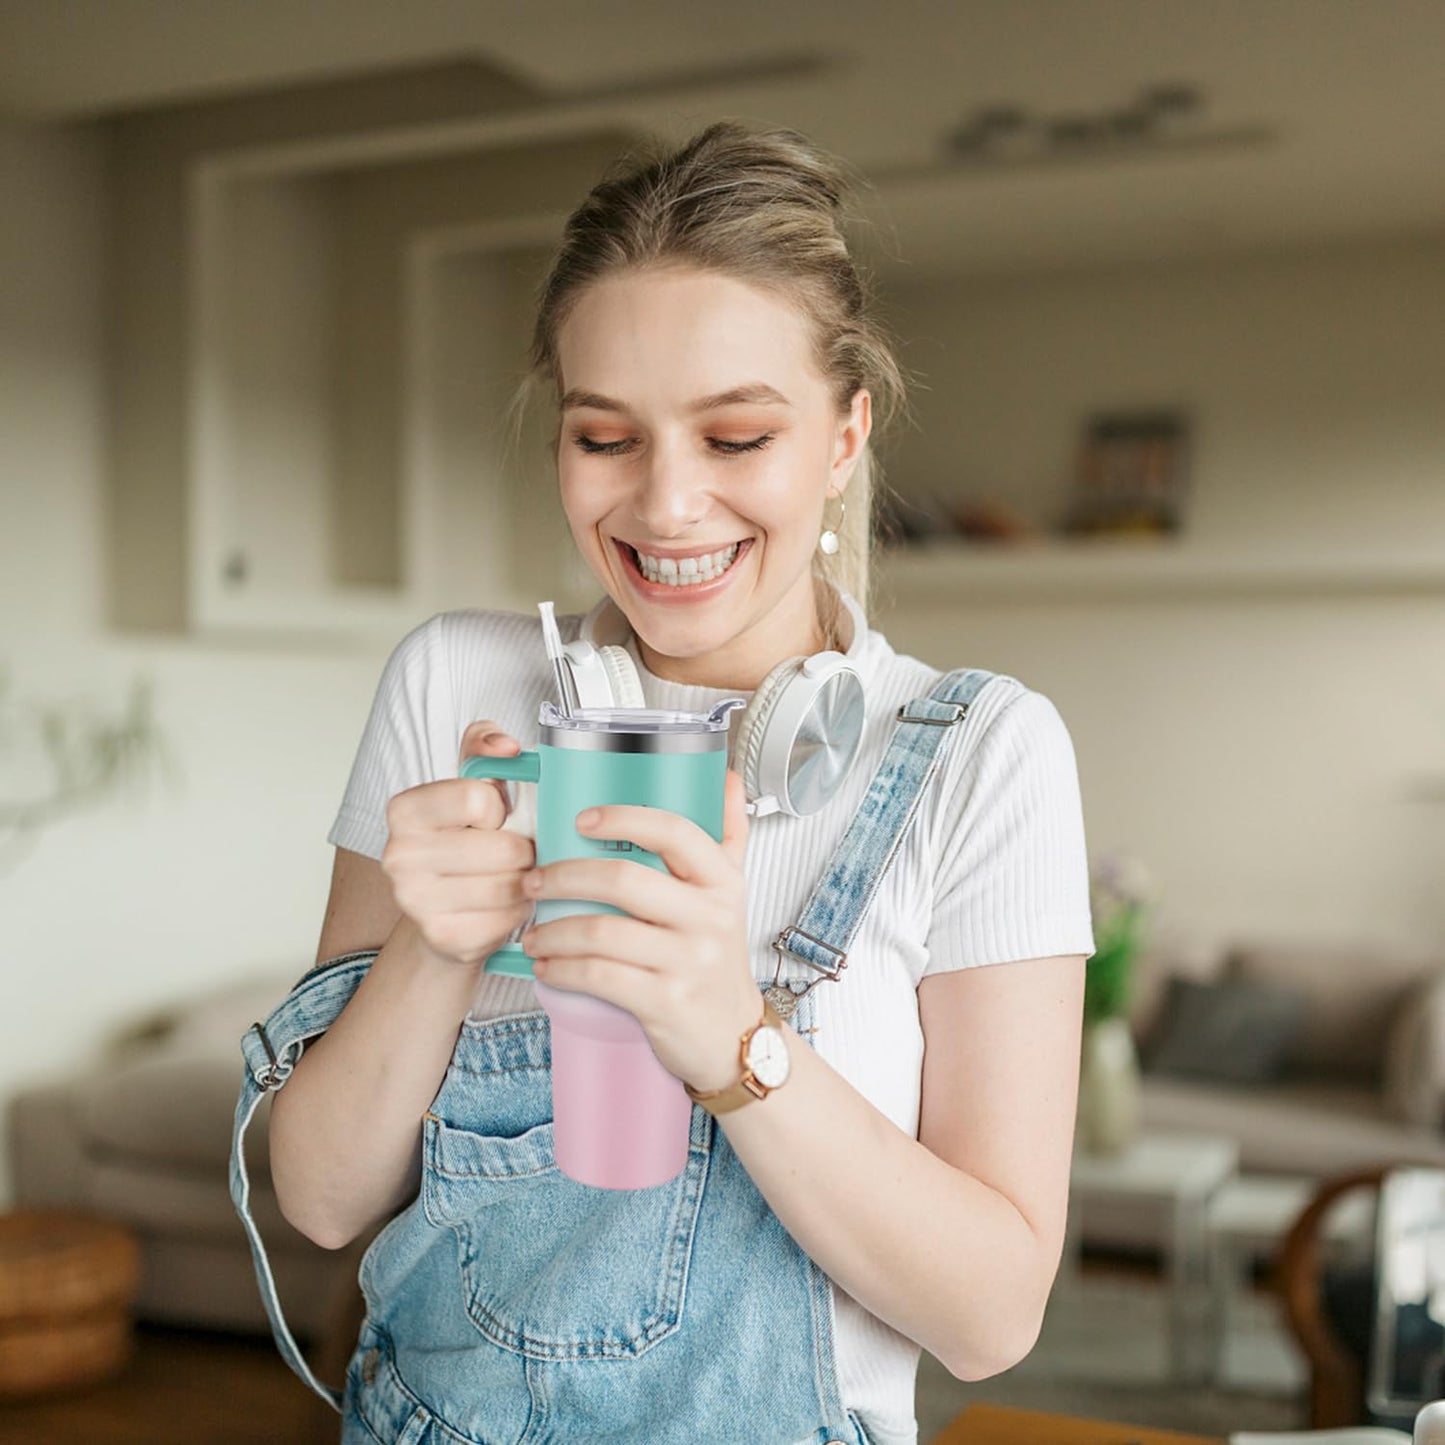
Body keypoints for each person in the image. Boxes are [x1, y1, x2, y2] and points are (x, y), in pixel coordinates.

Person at [244, 121, 1095, 1445]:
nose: (666, 503)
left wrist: (726, 1031)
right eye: (605, 436)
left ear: (841, 435)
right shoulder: (456, 685)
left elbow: (990, 1317)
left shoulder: (980, 753)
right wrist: (436, 944)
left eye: (737, 434)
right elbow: (318, 1194)